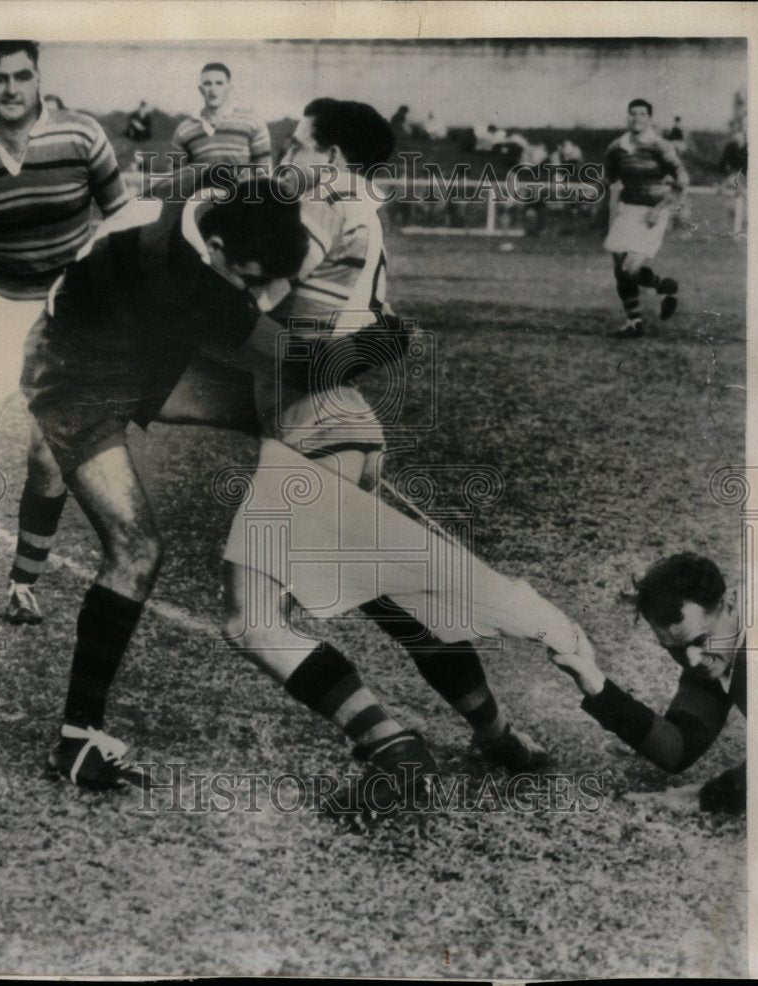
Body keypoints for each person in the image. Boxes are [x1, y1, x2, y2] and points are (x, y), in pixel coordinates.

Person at [214, 99, 584, 817]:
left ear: (334, 159)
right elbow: (375, 328)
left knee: (251, 618)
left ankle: (389, 744)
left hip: (316, 437)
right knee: (398, 604)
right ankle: (498, 734)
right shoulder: (363, 208)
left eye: (298, 146)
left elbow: (275, 281)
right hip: (346, 433)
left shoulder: (323, 205)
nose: (288, 158)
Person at [20, 178, 310, 790]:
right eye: (247, 276)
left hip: (133, 342)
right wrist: (383, 340)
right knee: (137, 550)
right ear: (218, 243)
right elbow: (287, 353)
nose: (255, 292)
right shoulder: (172, 268)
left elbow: (263, 285)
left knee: (285, 411)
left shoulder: (213, 200)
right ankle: (77, 740)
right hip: (77, 375)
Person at [0, 40, 128, 622]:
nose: (12, 89)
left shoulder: (82, 136)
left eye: (23, 76)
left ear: (38, 77)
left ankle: (24, 583)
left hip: (64, 307)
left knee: (49, 454)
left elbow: (122, 223)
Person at [548, 553, 746, 815]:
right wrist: (597, 685)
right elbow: (678, 747)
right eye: (674, 649)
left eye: (699, 640)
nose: (691, 660)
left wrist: (706, 797)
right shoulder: (717, 641)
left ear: (729, 603)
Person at [602, 98, 690, 339]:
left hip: (653, 213)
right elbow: (608, 177)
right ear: (627, 116)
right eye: (632, 114)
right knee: (621, 270)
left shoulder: (660, 146)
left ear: (649, 118)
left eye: (642, 114)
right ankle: (637, 319)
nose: (637, 118)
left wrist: (660, 207)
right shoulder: (617, 147)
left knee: (630, 268)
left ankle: (659, 291)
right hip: (626, 210)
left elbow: (682, 181)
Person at [170, 62, 271, 170]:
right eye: (207, 83)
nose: (213, 89)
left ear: (229, 88)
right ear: (200, 89)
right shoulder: (184, 131)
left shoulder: (253, 123)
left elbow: (264, 177)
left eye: (219, 83)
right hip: (203, 187)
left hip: (243, 187)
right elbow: (178, 180)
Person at [719, 128, 748, 237]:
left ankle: (737, 231)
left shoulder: (747, 149)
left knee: (741, 205)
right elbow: (722, 165)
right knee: (729, 205)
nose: (737, 140)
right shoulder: (730, 148)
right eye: (735, 138)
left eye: (739, 138)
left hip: (743, 179)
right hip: (732, 178)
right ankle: (730, 230)